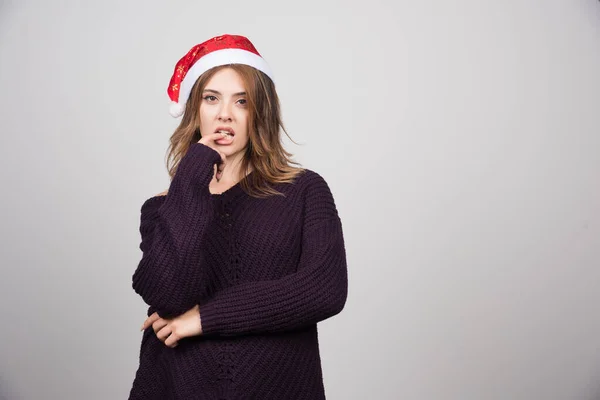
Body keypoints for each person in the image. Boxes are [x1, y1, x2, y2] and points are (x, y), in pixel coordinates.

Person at [128, 34, 348, 400]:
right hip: (180, 387)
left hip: (278, 387)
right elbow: (167, 295)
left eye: (241, 102)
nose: (224, 114)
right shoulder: (164, 206)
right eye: (211, 98)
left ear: (260, 111)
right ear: (195, 108)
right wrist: (194, 174)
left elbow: (323, 290)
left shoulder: (304, 190)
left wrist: (201, 319)